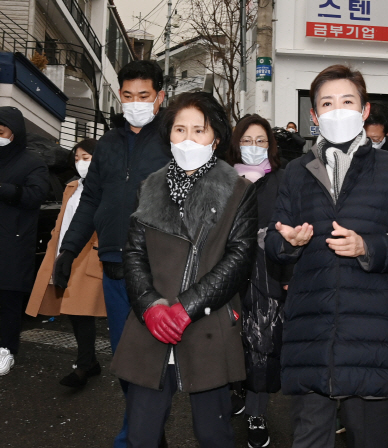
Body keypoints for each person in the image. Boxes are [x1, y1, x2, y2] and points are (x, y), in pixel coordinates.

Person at [264, 64, 388, 448]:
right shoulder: (297, 172)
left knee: (369, 437)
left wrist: (368, 247)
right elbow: (273, 239)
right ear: (314, 115)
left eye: (347, 101)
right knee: (309, 438)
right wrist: (288, 243)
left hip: (370, 333)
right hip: (311, 331)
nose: (338, 111)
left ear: (364, 110)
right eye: (327, 103)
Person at [110, 92, 258, 447]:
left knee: (213, 434)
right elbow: (133, 253)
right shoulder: (149, 187)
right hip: (152, 325)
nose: (188, 138)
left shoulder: (238, 191)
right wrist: (150, 305)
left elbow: (239, 257)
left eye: (199, 130)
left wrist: (186, 307)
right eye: (180, 129)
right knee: (141, 434)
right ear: (169, 135)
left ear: (216, 138)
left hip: (208, 324)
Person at [53, 59, 170, 446]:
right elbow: (91, 201)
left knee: (151, 360)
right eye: (128, 95)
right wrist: (68, 250)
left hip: (156, 269)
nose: (135, 102)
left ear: (160, 96)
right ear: (119, 96)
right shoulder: (105, 146)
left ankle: (137, 434)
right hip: (114, 266)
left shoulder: (172, 140)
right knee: (124, 359)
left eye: (144, 95)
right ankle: (145, 429)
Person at [227, 114, 292, 448]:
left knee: (261, 345)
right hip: (226, 272)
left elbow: (291, 230)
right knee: (228, 337)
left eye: (262, 141)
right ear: (237, 144)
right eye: (248, 141)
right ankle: (235, 388)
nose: (254, 148)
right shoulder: (223, 179)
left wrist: (287, 277)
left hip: (267, 271)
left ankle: (256, 412)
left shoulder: (282, 180)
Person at [26, 139, 106, 387]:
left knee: (80, 312)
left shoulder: (107, 188)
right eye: (77, 158)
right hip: (64, 254)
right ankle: (90, 362)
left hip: (88, 257)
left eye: (87, 158)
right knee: (72, 312)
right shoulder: (72, 186)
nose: (81, 163)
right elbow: (62, 222)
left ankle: (83, 368)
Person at [0, 106, 49, 375]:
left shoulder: (32, 162)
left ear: (14, 132)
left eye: (1, 131)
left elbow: (37, 194)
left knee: (8, 297)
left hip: (13, 241)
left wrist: (5, 190)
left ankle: (6, 349)